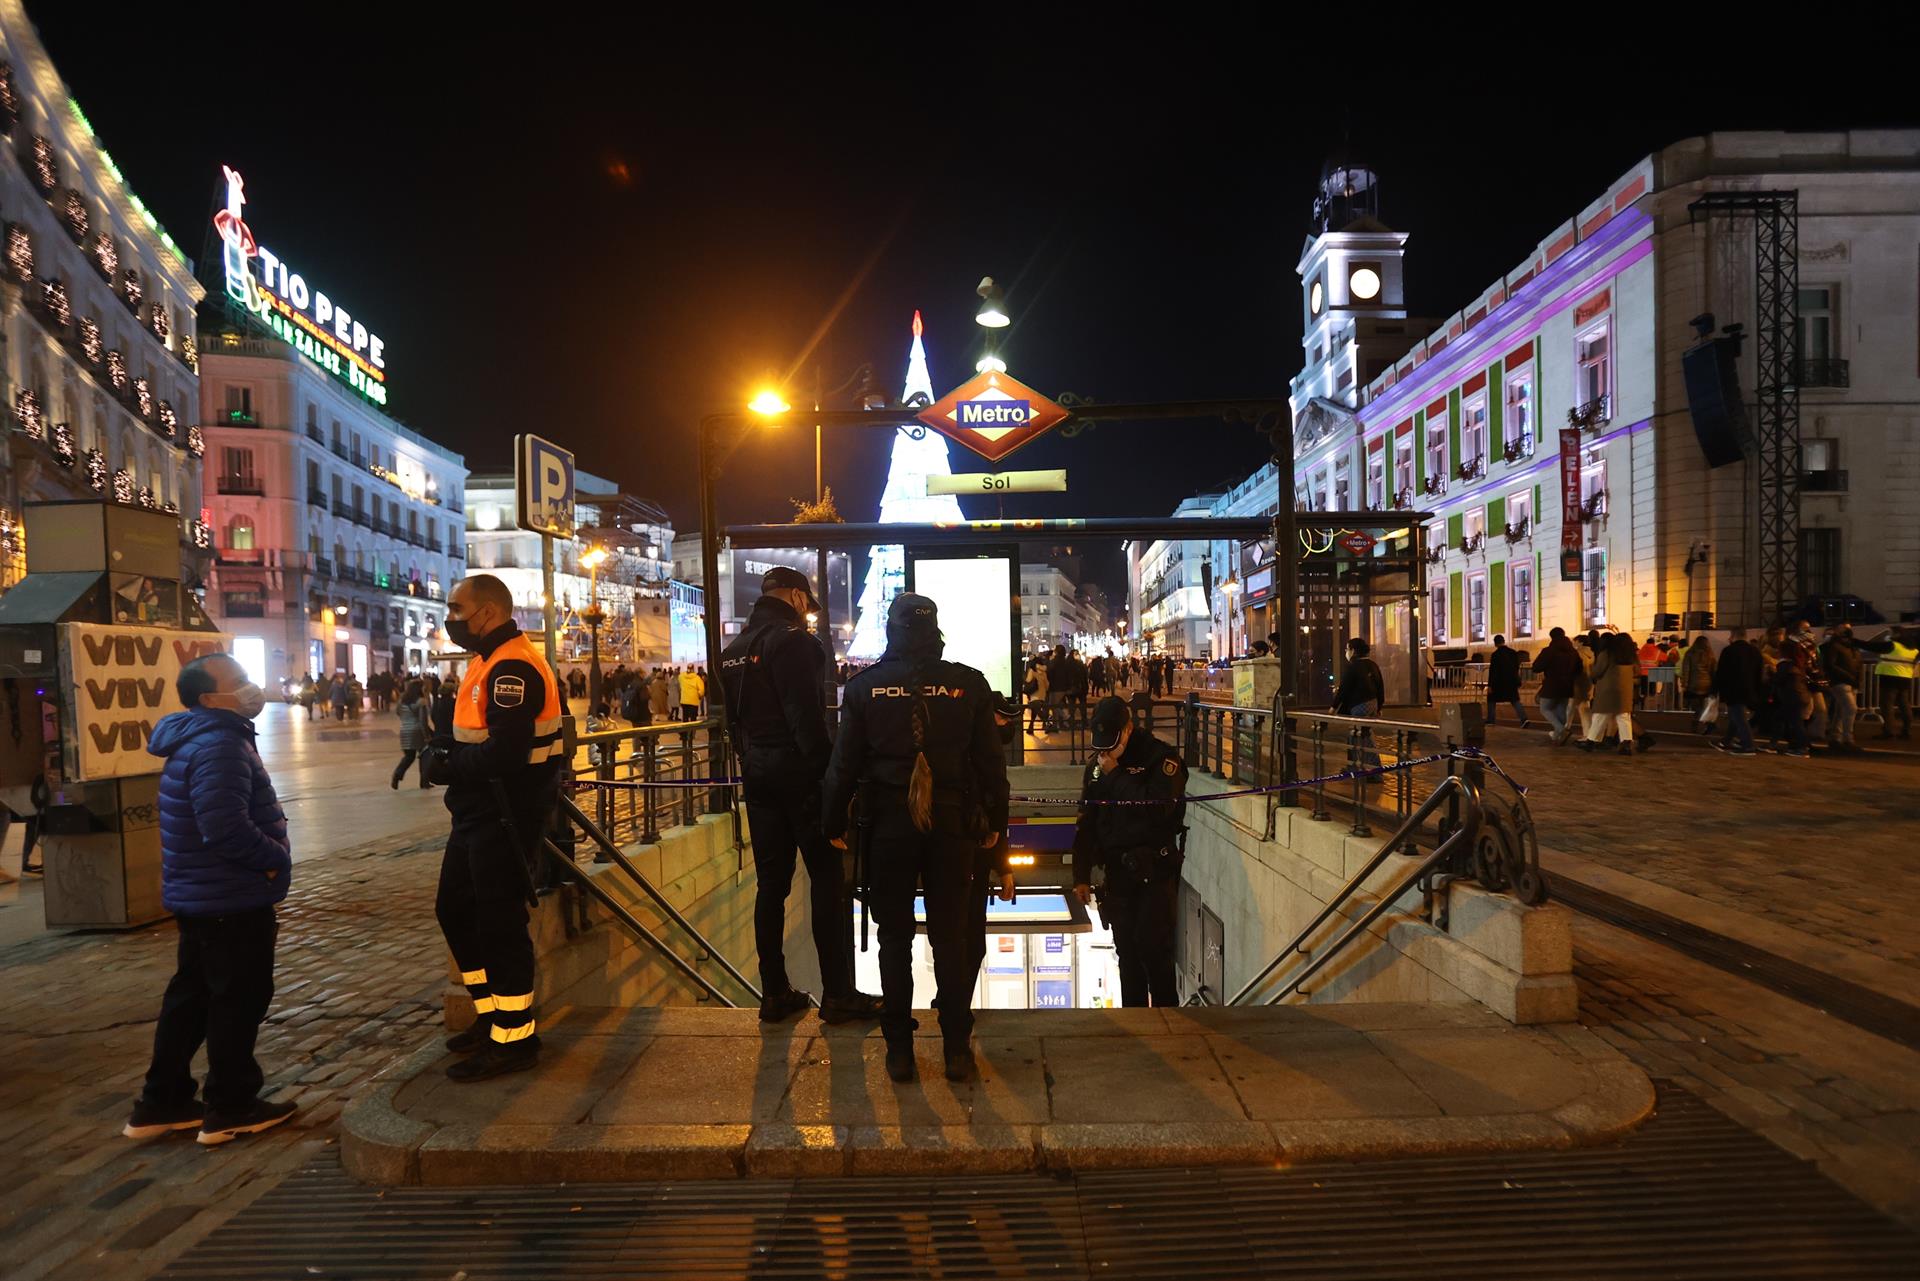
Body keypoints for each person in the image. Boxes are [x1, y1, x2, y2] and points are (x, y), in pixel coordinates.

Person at [821, 593, 1008, 1084]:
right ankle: (956, 1051)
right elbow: (992, 766)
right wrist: (997, 824)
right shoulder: (969, 685)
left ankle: (899, 1052)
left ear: (891, 631)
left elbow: (842, 768)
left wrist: (831, 823)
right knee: (952, 938)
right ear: (934, 631)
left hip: (887, 826)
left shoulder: (863, 689)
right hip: (951, 826)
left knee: (893, 939)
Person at [126, 653, 296, 1146]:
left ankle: (162, 1100)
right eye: (238, 681)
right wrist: (272, 858)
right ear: (208, 698)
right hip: (230, 895)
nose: (250, 687)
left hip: (200, 894)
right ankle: (232, 1105)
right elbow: (223, 825)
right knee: (237, 1000)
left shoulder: (196, 737)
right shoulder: (220, 744)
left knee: (192, 998)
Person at [718, 566, 880, 1025]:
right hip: (797, 775)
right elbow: (806, 721)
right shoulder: (794, 642)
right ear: (793, 596)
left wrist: (752, 763)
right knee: (828, 878)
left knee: (771, 884)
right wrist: (832, 782)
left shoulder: (733, 649)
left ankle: (774, 992)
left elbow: (734, 724)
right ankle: (838, 994)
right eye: (806, 606)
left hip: (757, 775)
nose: (808, 617)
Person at [420, 574, 564, 1082]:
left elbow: (507, 751)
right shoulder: (484, 660)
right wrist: (444, 748)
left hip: (506, 811)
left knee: (499, 922)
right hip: (477, 809)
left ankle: (515, 1036)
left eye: (457, 608)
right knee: (455, 909)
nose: (451, 617)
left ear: (486, 613)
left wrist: (449, 767)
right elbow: (472, 733)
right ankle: (492, 1014)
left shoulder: (513, 667)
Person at [1071, 695, 1188, 1007]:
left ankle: (1169, 1023)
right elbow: (1088, 821)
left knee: (1154, 949)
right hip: (1118, 874)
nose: (1105, 751)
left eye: (1112, 742)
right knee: (1127, 954)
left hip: (1155, 871)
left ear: (1128, 729)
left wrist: (1116, 776)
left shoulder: (1161, 759)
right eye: (1100, 744)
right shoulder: (1098, 766)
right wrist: (1080, 874)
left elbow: (1157, 810)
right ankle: (1134, 1023)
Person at [1579, 632, 1647, 755]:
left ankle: (1591, 741)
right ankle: (1626, 743)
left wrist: (1591, 671)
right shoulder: (1631, 656)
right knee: (1623, 717)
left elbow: (1597, 672)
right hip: (1625, 690)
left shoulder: (1607, 654)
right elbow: (1637, 672)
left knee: (1600, 716)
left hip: (1607, 689)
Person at [1712, 628, 1763, 756]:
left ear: (1734, 636)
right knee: (1736, 716)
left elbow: (1722, 673)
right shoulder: (1755, 651)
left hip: (1733, 688)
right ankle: (1726, 740)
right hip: (1750, 689)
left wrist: (1715, 690)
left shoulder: (1729, 651)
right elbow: (1759, 673)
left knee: (1738, 717)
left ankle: (1748, 745)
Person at [1530, 628, 1585, 744]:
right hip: (1567, 685)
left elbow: (1536, 667)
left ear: (1552, 637)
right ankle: (1557, 736)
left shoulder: (1549, 651)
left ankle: (1561, 730)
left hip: (1552, 684)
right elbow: (1579, 669)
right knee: (1561, 710)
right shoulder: (1573, 652)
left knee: (1545, 708)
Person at [1820, 624, 1863, 752]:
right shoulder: (1834, 647)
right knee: (1850, 708)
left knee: (1841, 710)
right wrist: (1850, 677)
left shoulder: (1852, 648)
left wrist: (1857, 680)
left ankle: (1835, 737)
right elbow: (1831, 665)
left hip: (1850, 682)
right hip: (1840, 682)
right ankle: (1847, 738)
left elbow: (1858, 664)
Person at [1868, 629, 1915, 739]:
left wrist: (1854, 641)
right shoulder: (1911, 648)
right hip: (1905, 678)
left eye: (1891, 633)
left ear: (1897, 634)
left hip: (1890, 678)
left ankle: (1888, 731)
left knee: (1887, 705)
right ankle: (1906, 730)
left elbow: (1871, 646)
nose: (1889, 635)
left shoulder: (1893, 646)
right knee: (1904, 705)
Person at [392, 679, 435, 789]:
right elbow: (422, 721)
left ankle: (397, 774)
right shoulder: (421, 701)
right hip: (417, 731)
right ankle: (424, 782)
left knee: (409, 757)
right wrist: (427, 736)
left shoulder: (402, 701)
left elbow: (398, 713)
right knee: (424, 756)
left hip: (404, 731)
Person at [1485, 635, 1528, 727]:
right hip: (1511, 681)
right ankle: (1524, 719)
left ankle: (1491, 720)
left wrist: (1490, 685)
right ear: (1504, 641)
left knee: (1491, 699)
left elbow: (1493, 671)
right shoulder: (1513, 653)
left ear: (1495, 643)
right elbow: (1516, 667)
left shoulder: (1495, 655)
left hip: (1499, 683)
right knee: (1515, 700)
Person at [1678, 635, 1718, 715]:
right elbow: (1714, 671)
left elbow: (1686, 670)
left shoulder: (1690, 653)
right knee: (1705, 705)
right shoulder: (1710, 654)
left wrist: (1684, 684)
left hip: (1693, 684)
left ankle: (1696, 719)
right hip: (1707, 684)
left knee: (1696, 705)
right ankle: (1707, 723)